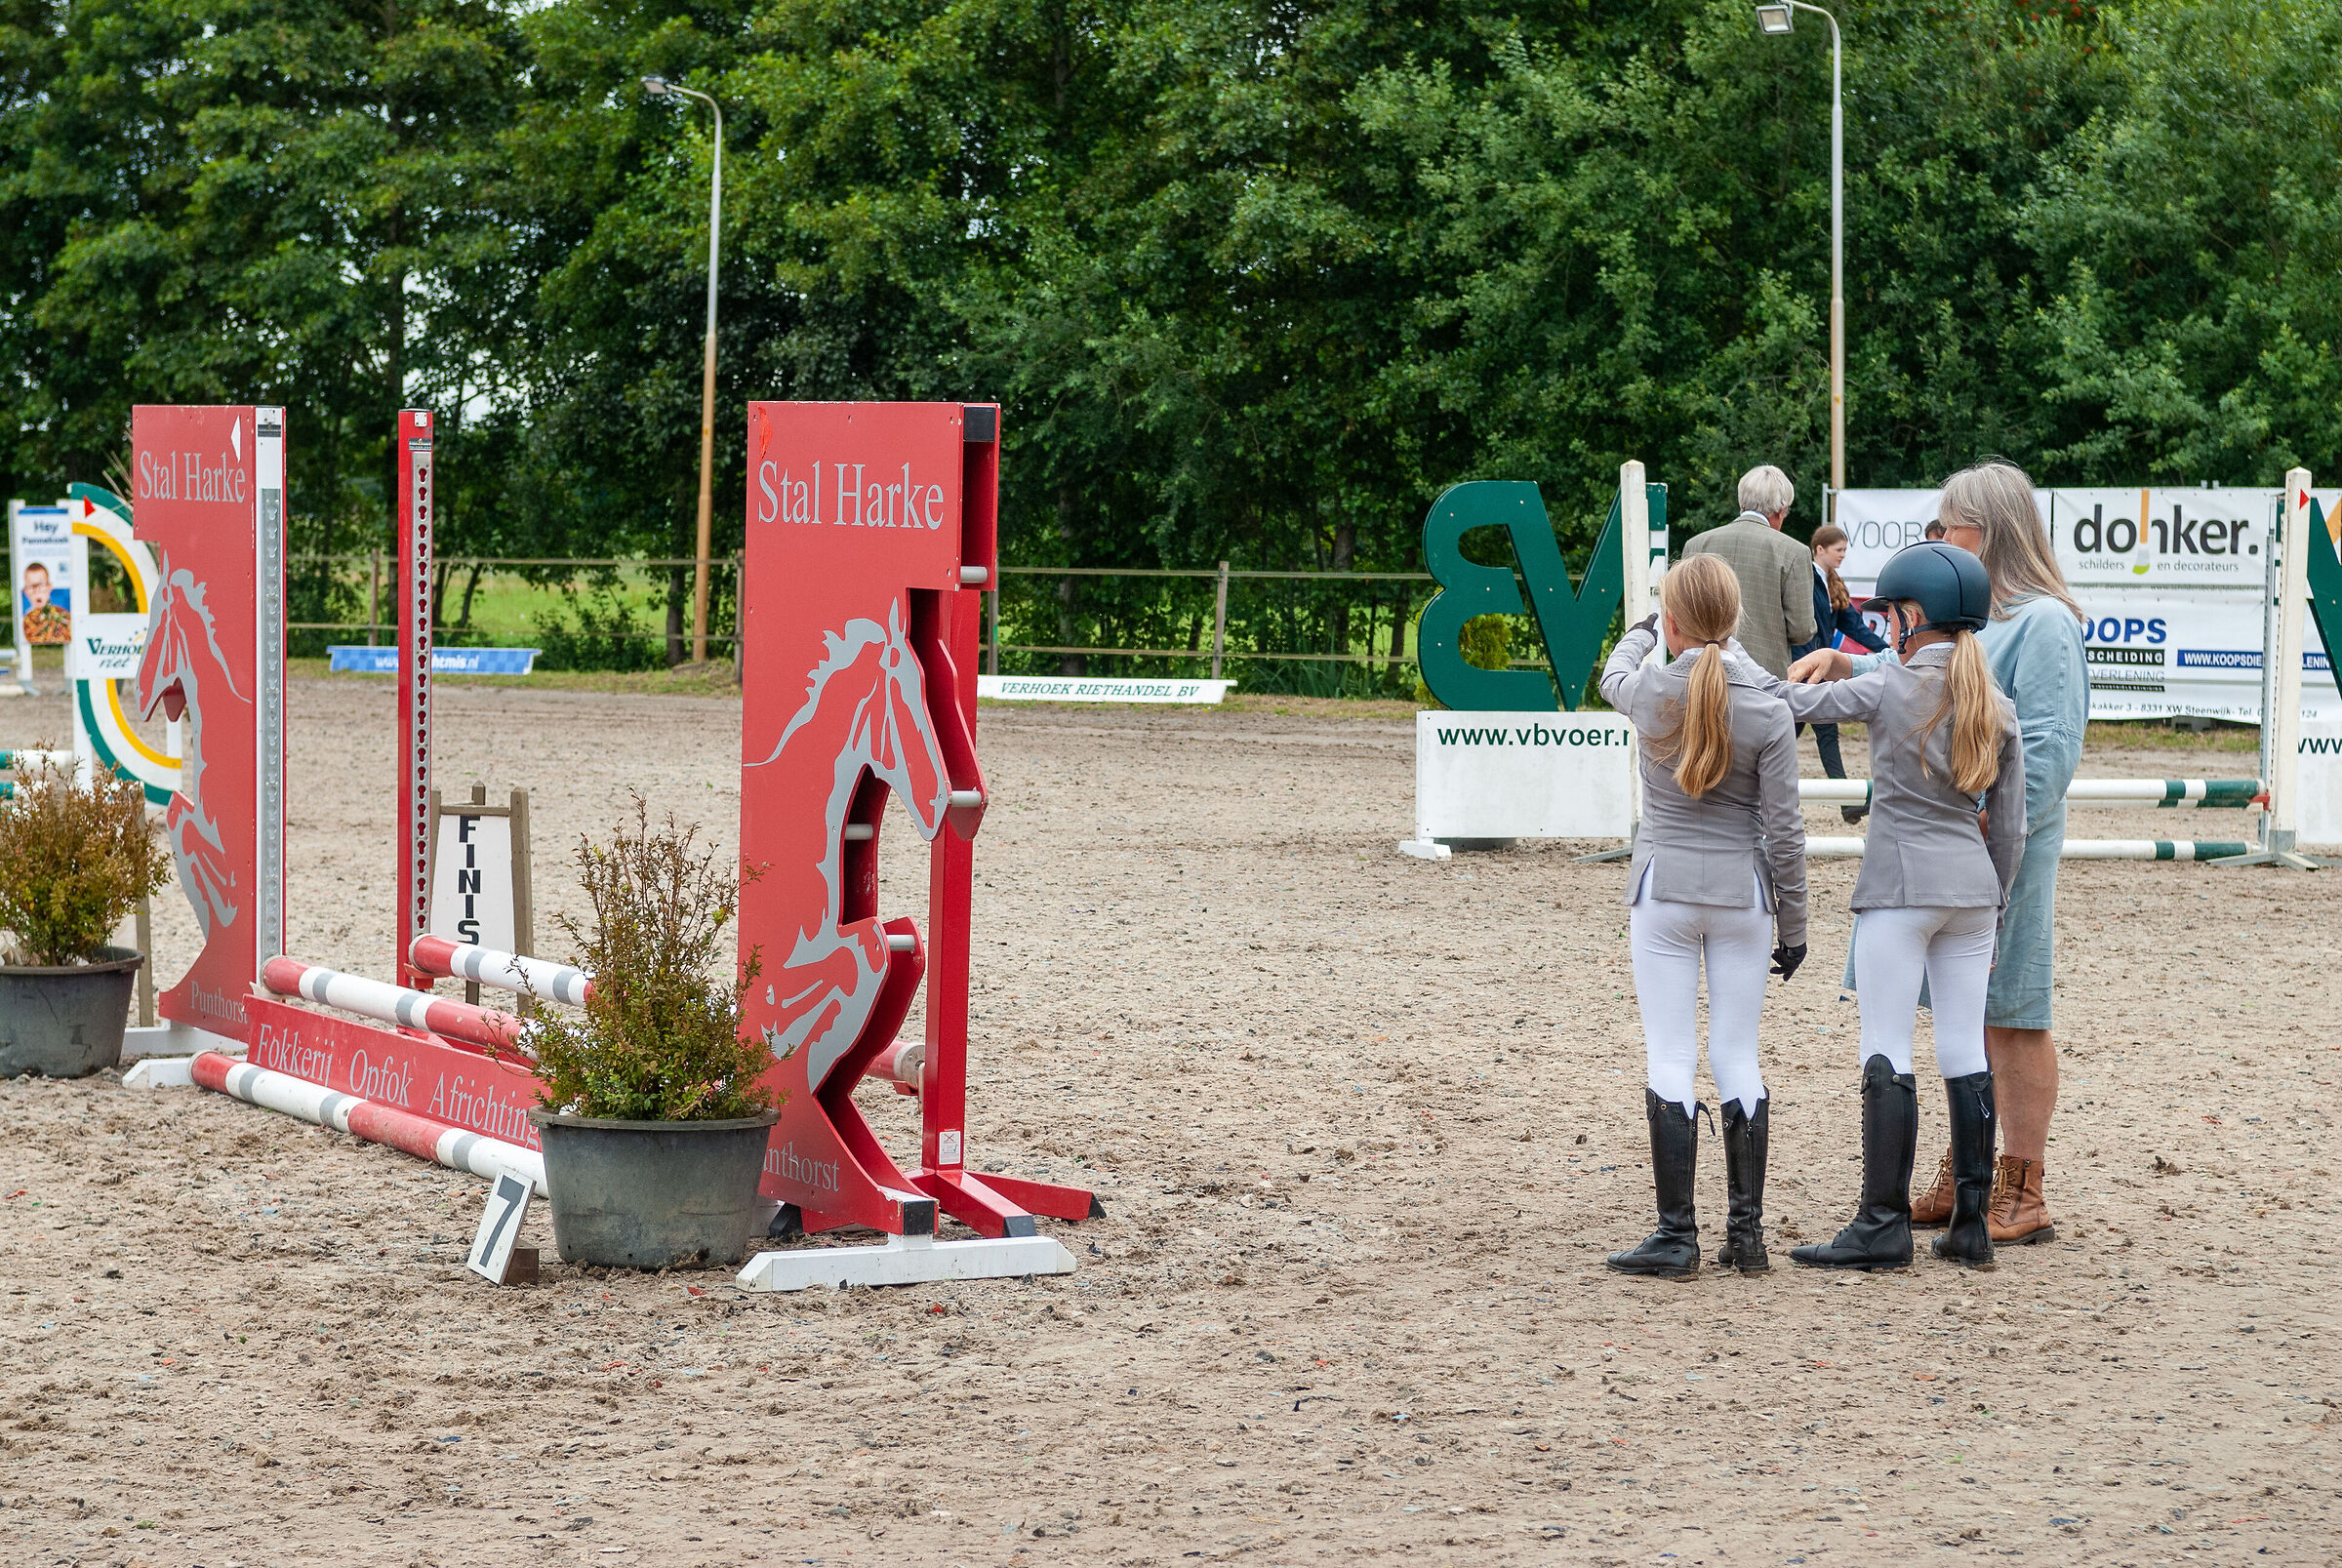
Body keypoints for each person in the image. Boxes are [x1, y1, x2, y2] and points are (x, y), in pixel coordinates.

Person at [1790, 463, 2086, 1246]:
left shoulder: (2044, 623)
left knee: (2014, 1014)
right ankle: (1965, 1176)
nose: (1938, 537)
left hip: (2002, 839)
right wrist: (1848, 661)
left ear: (1981, 533)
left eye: (1948, 526)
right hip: (1966, 841)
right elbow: (1921, 671)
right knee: (1965, 1020)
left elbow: (2050, 752)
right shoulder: (1978, 623)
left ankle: (2021, 1181)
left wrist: (1981, 824)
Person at [1766, 543, 2026, 1269]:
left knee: (1885, 1044)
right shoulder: (1996, 702)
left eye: (1891, 618)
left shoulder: (1889, 686)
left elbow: (1791, 702)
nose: (1888, 629)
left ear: (1912, 617)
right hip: (1973, 894)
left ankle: (1882, 1222)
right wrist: (1996, 907)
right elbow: (2011, 829)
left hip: (1901, 888)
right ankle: (1970, 1225)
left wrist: (1727, 665)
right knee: (1963, 1049)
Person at [1598, 554, 1807, 1279]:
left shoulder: (1652, 689)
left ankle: (1675, 1234)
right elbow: (1786, 832)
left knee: (1670, 1054)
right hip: (1743, 894)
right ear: (1737, 619)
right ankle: (1746, 1236)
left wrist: (1645, 628)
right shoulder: (1768, 708)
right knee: (1737, 1054)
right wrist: (1795, 926)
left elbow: (1611, 675)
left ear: (1675, 623)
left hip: (1665, 889)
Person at [1681, 465, 1817, 679]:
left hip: (1701, 673)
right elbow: (1802, 630)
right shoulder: (1794, 552)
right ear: (1781, 511)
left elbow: (1682, 616)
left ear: (1740, 503)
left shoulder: (1696, 545)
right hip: (1763, 679)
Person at [1793, 525, 1888, 824]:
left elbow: (1855, 628)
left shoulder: (1832, 583)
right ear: (1819, 549)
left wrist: (1891, 651)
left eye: (1845, 550)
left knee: (1808, 732)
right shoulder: (1803, 580)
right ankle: (1847, 802)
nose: (1843, 555)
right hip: (1802, 669)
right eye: (1839, 550)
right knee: (1817, 732)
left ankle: (1847, 802)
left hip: (1816, 670)